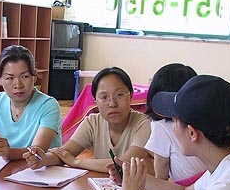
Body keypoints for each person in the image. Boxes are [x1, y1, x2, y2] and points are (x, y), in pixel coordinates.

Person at [24, 67, 152, 174]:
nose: (112, 103)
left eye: (119, 95)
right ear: (96, 101)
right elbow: (65, 153)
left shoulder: (144, 123)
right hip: (104, 188)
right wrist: (44, 159)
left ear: (131, 96)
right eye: (104, 97)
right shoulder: (93, 122)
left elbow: (124, 164)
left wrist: (77, 162)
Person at [144, 63, 206, 185]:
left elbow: (161, 168)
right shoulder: (201, 118)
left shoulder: (161, 125)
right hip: (209, 182)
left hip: (188, 188)